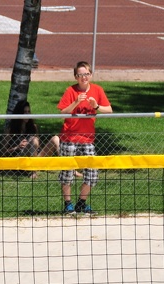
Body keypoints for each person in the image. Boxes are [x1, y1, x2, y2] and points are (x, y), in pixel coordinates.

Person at [55, 60, 112, 214]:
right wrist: (75, 103)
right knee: (67, 173)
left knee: (92, 173)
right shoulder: (70, 91)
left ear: (90, 75)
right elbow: (62, 112)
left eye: (86, 74)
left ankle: (81, 202)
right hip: (69, 138)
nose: (83, 77)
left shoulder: (97, 90)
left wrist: (96, 107)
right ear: (76, 77)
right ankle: (68, 204)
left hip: (88, 139)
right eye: (80, 75)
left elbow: (109, 110)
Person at [4, 99, 40, 178]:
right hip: (19, 158)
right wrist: (18, 147)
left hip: (34, 155)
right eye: (24, 112)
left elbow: (37, 145)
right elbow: (3, 152)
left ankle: (68, 167)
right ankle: (34, 171)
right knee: (34, 140)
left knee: (55, 139)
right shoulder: (11, 129)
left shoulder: (33, 127)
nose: (27, 114)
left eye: (28, 112)